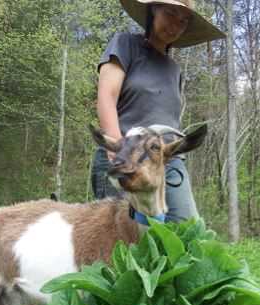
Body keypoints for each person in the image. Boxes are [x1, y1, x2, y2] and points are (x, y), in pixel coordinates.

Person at [91, 0, 225, 222]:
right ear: (153, 10)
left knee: (187, 228)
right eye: (171, 13)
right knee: (123, 238)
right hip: (126, 153)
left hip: (167, 160)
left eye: (183, 21)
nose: (175, 24)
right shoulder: (125, 44)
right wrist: (116, 148)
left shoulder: (174, 70)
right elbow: (106, 96)